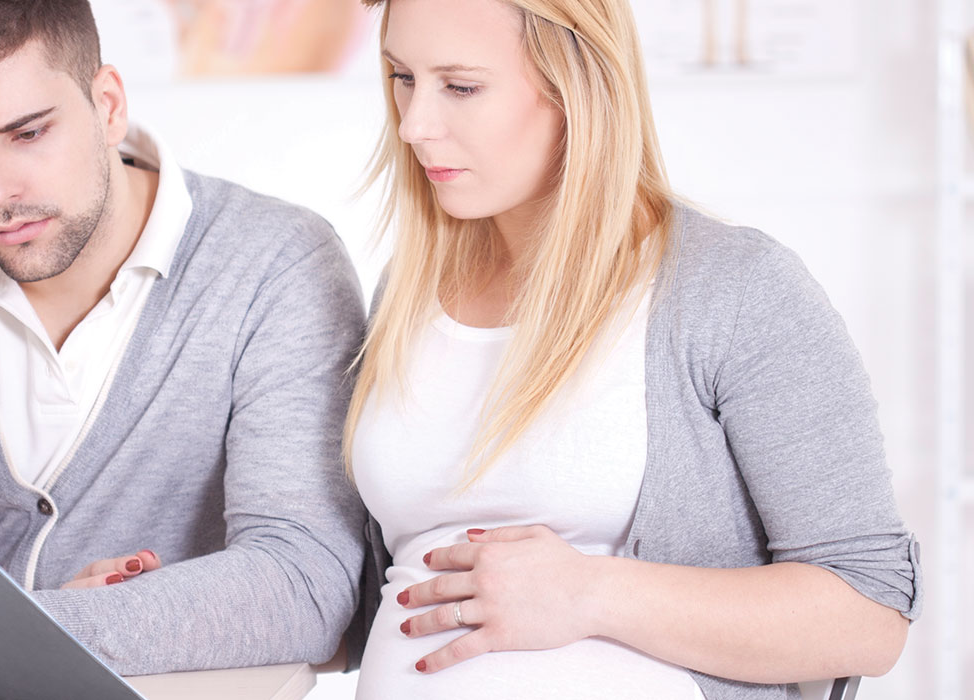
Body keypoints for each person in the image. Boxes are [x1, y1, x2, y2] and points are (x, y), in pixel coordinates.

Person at [344, 0, 921, 698]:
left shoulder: (731, 289)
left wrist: (591, 593)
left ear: (577, 86)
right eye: (403, 77)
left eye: (461, 86)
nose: (414, 124)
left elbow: (869, 614)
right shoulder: (406, 292)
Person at [0, 0, 367, 676]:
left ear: (107, 105)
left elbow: (304, 586)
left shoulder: (274, 262)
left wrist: (23, 626)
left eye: (28, 133)